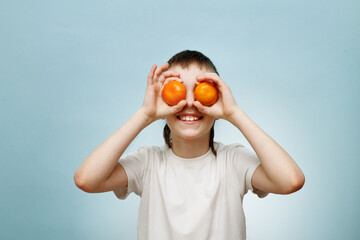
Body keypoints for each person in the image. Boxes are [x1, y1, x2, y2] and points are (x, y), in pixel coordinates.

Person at [74, 50, 305, 240]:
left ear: (218, 99)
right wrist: (145, 114)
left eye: (203, 90)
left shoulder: (233, 161)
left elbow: (291, 181)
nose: (191, 103)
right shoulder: (148, 163)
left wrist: (234, 113)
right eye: (178, 91)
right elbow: (86, 179)